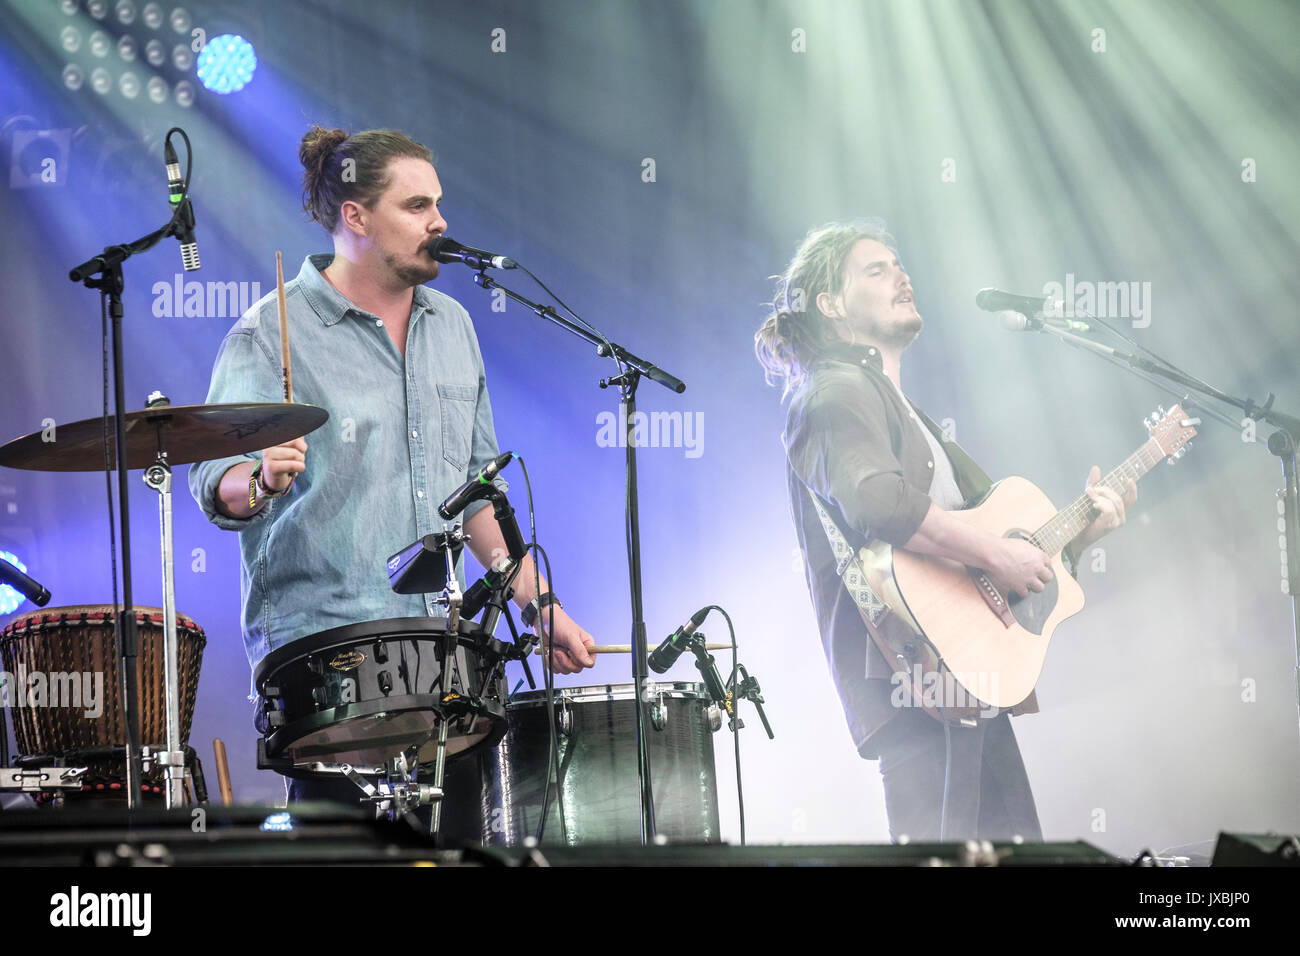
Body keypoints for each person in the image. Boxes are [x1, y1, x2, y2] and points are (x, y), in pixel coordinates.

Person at [188, 126, 597, 831]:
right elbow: (211, 479)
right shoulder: (270, 331)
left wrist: (537, 602)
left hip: (442, 659)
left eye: (437, 204)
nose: (439, 222)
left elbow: (474, 495)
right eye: (416, 206)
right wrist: (257, 479)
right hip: (328, 661)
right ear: (356, 217)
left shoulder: (455, 327)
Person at [754, 221, 1135, 842]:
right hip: (909, 685)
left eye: (899, 264)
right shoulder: (832, 390)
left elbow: (991, 564)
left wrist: (1079, 538)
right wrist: (996, 554)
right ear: (830, 305)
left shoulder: (905, 412)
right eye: (875, 270)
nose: (902, 276)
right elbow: (877, 502)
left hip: (965, 683)